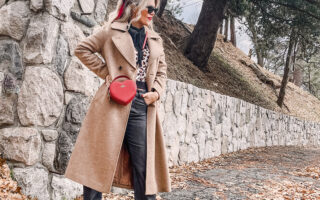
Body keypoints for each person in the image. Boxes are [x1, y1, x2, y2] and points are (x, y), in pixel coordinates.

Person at [64, 0, 171, 199]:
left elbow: (162, 72)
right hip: (113, 101)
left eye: (155, 9)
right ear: (134, 6)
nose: (153, 12)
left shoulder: (155, 39)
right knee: (99, 160)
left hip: (142, 104)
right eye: (149, 7)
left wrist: (156, 92)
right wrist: (109, 73)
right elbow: (82, 49)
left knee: (144, 166)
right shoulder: (111, 32)